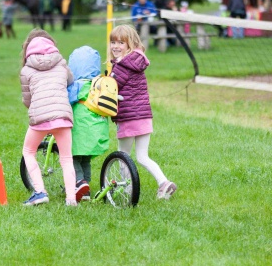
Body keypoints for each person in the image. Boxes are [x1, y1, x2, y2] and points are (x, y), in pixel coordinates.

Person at [108, 24, 177, 200]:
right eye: (113, 42)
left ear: (130, 44)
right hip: (144, 117)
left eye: (121, 43)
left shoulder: (122, 67)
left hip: (128, 118)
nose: (115, 46)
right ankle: (164, 183)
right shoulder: (137, 62)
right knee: (142, 156)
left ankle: (128, 189)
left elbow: (110, 89)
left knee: (123, 155)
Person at [20, 28, 82, 207]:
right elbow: (71, 81)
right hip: (63, 116)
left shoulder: (26, 70)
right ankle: (71, 199)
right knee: (67, 158)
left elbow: (27, 99)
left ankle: (40, 192)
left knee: (29, 151)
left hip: (39, 119)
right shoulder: (61, 63)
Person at [67, 46, 110, 200]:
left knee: (72, 157)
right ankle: (85, 189)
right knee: (85, 159)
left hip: (80, 129)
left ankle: (79, 182)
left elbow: (66, 102)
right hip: (97, 129)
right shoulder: (99, 84)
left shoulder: (75, 86)